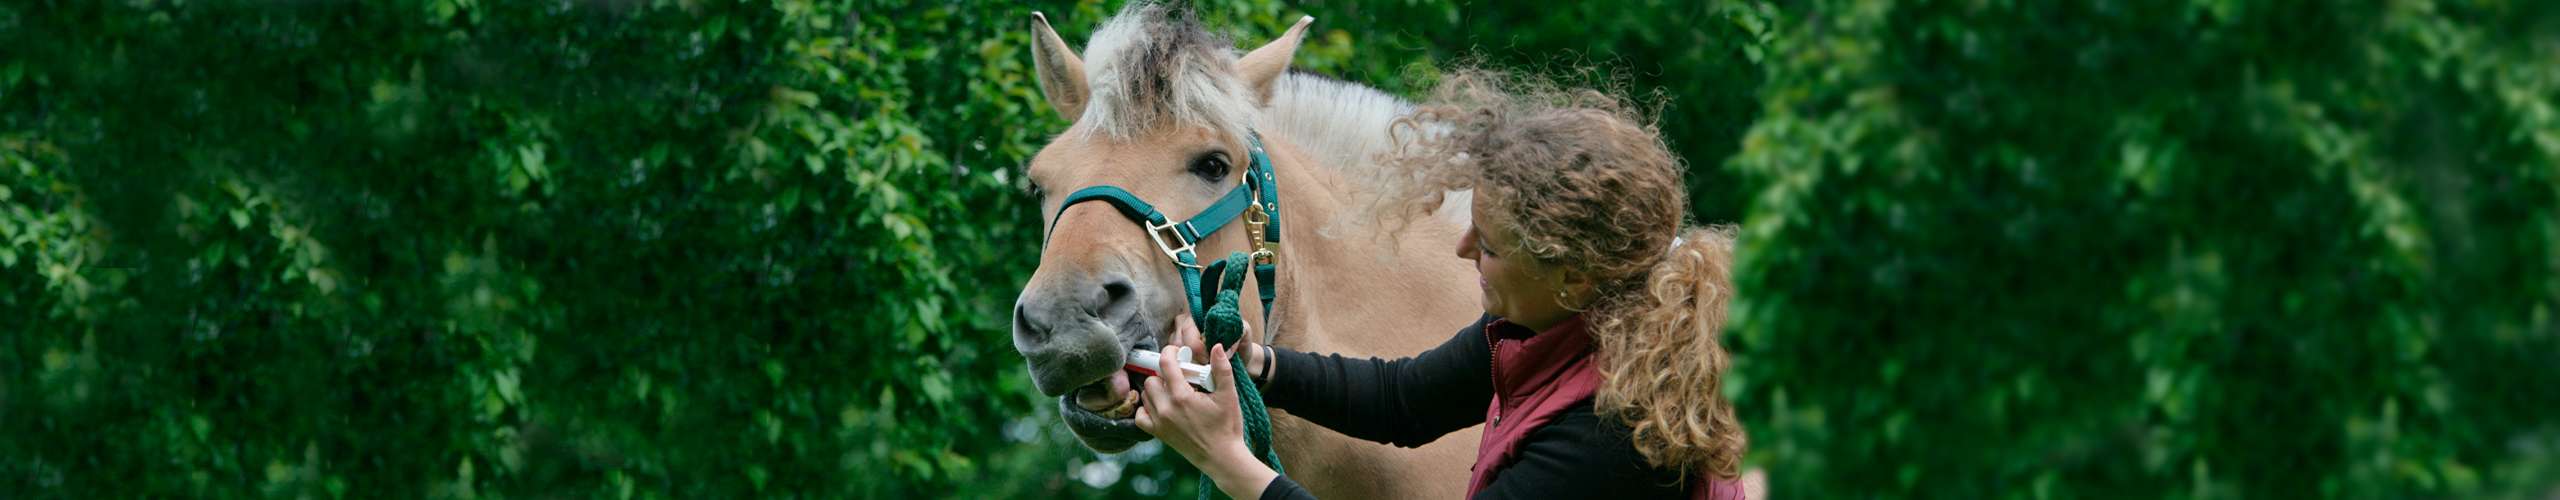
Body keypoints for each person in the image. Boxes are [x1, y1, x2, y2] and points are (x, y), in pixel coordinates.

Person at [1133, 71, 1750, 499]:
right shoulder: (1552, 323)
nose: (1464, 248)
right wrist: (1259, 364)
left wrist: (1230, 463)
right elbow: (1405, 399)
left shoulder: (1615, 432)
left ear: (1573, 275)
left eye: (1492, 246)